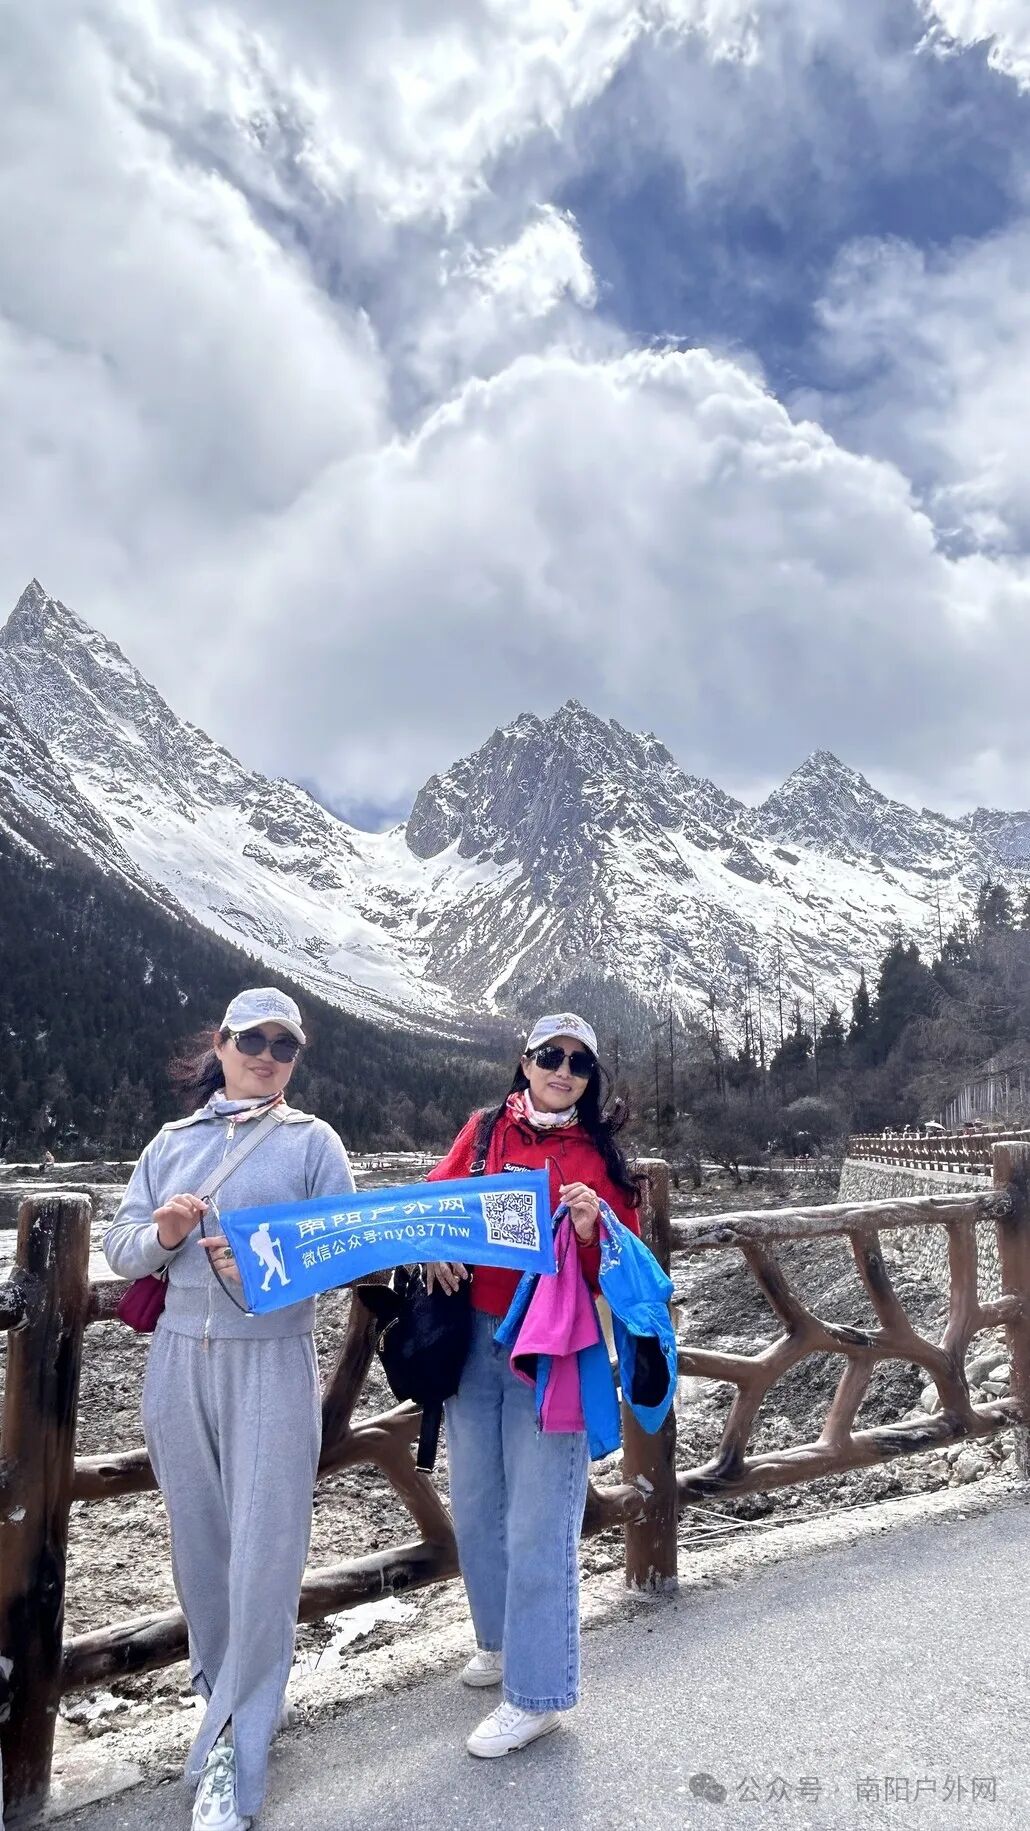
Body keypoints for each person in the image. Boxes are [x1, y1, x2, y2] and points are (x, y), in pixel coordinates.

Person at [104, 989, 354, 1831]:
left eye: (285, 1046)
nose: (267, 1056)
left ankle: (234, 1759)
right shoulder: (170, 1143)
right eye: (254, 1039)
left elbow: (341, 1256)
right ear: (221, 1043)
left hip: (272, 1358)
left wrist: (266, 1274)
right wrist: (166, 1236)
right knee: (202, 1551)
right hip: (178, 1360)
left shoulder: (314, 1142)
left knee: (267, 1555)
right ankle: (226, 1703)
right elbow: (121, 1246)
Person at [426, 1012, 641, 1758]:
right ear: (525, 1061)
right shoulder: (485, 1130)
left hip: (556, 1347)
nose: (563, 1071)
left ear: (590, 1079)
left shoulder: (600, 1155)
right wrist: (435, 1248)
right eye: (551, 1055)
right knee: (478, 1504)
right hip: (474, 1339)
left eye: (579, 1063)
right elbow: (433, 1204)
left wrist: (588, 1230)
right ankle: (499, 1642)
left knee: (540, 1519)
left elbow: (619, 1265)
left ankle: (539, 1694)